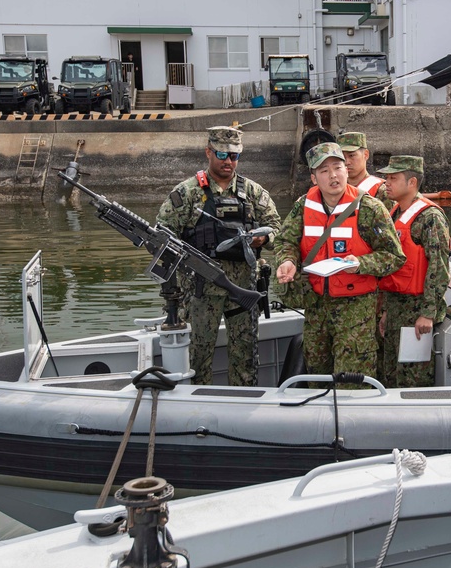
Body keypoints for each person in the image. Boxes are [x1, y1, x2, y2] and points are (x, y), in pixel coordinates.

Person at [156, 126, 281, 386]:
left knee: (245, 356)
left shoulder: (253, 192)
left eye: (234, 156)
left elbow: (278, 227)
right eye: (222, 154)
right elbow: (162, 236)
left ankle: (243, 405)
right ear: (208, 152)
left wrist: (264, 238)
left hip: (243, 289)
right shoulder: (188, 193)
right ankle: (198, 410)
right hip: (201, 292)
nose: (228, 161)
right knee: (198, 357)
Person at [275, 142, 405, 375]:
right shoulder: (303, 206)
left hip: (356, 310)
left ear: (346, 170)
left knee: (352, 382)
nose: (333, 175)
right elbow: (286, 241)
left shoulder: (370, 209)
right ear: (314, 178)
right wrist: (287, 261)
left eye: (338, 167)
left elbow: (394, 256)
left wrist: (360, 264)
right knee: (317, 375)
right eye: (324, 171)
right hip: (315, 307)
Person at [376, 156, 451, 388]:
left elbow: (439, 268)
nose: (387, 183)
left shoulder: (430, 218)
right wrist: (387, 310)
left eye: (393, 178)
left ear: (412, 183)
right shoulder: (396, 212)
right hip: (396, 307)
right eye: (386, 178)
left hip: (417, 310)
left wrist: (428, 313)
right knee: (390, 373)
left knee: (413, 377)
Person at [336, 131, 392, 209]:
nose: (347, 162)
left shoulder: (382, 191)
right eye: (342, 157)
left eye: (351, 155)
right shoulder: (334, 190)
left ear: (366, 154)